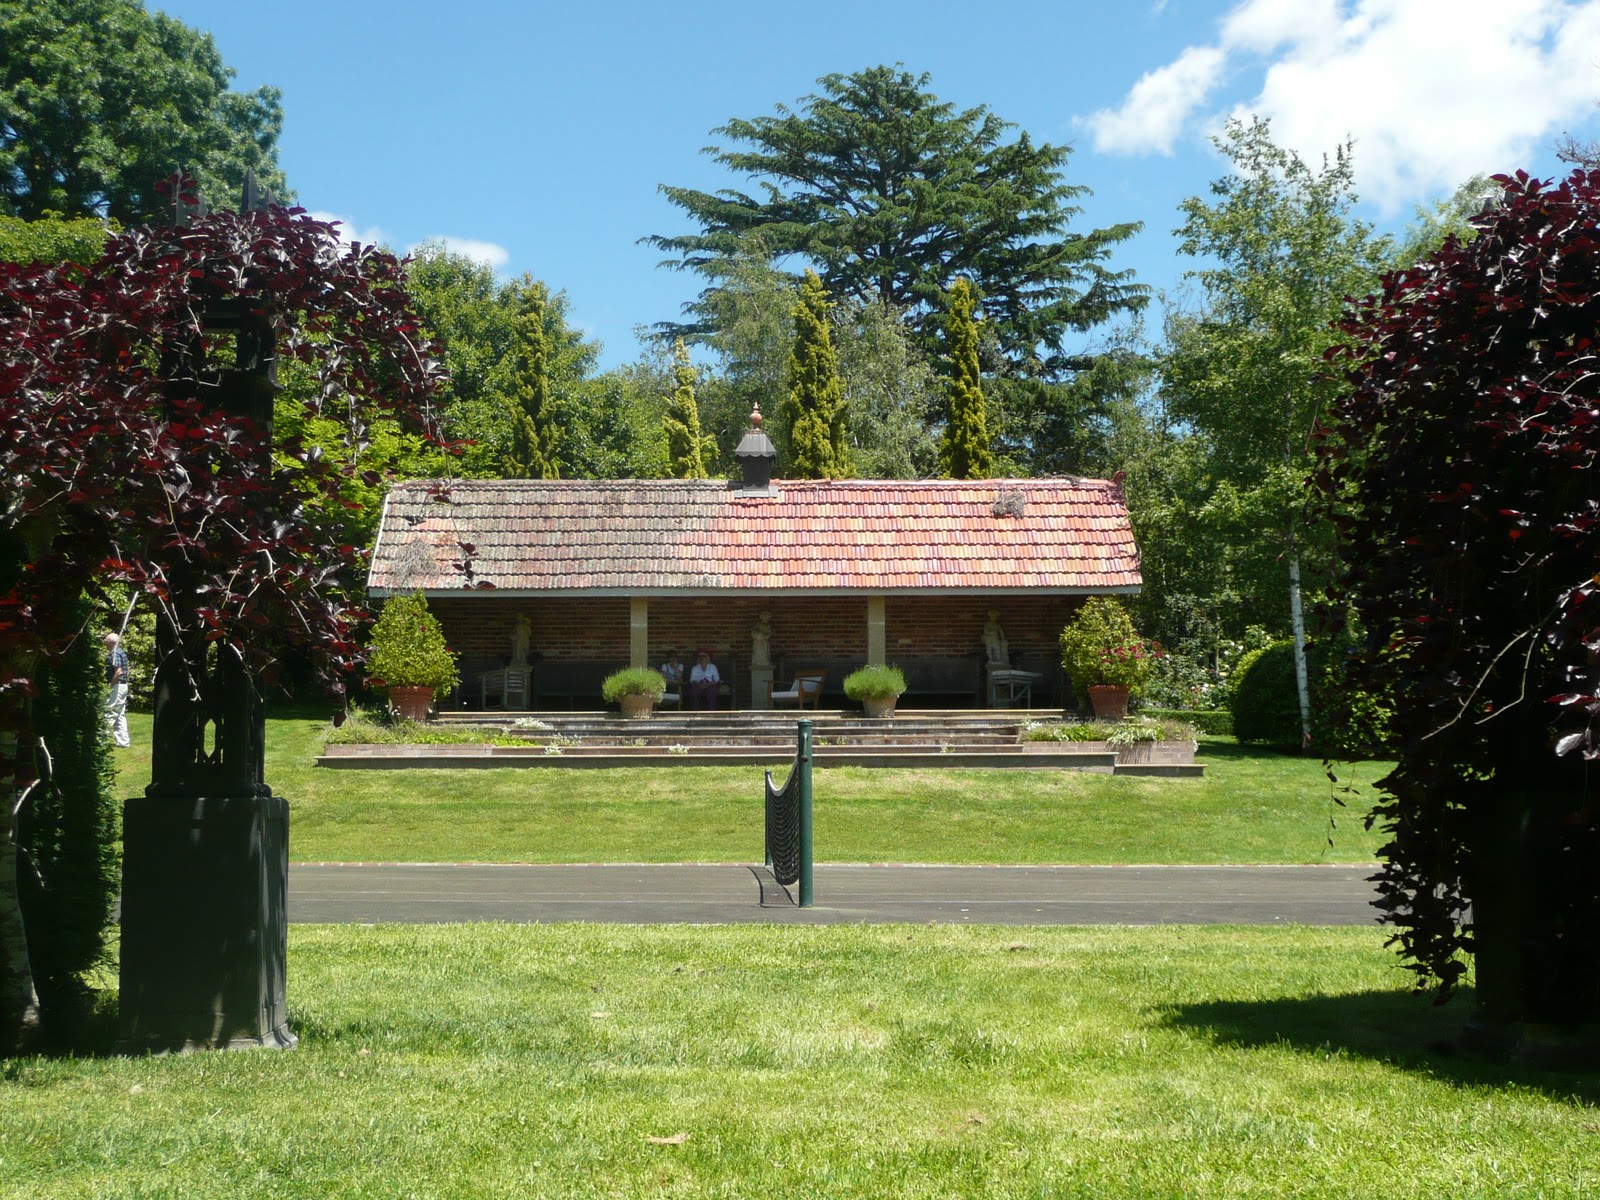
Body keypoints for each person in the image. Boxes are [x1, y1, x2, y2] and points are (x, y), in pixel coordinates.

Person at [104, 631, 131, 748]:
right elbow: (126, 670)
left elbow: (118, 671)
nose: (105, 643)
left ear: (111, 642)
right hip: (123, 685)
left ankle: (102, 739)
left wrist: (110, 685)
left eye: (106, 641)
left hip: (117, 685)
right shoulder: (122, 652)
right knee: (120, 714)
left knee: (110, 711)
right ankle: (123, 742)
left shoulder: (114, 653)